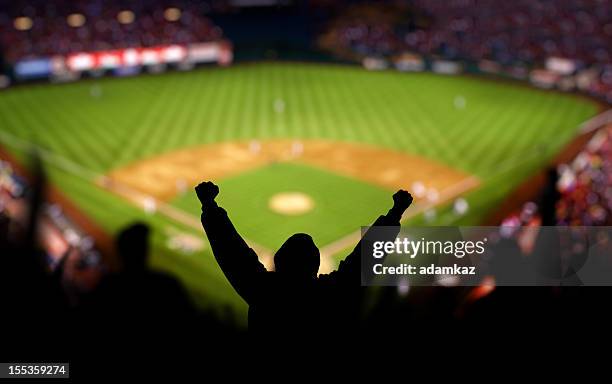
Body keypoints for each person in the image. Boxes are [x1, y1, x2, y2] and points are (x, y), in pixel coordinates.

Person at [195, 181, 412, 336]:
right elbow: (361, 263)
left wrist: (209, 205)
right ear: (315, 266)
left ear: (278, 262)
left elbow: (232, 252)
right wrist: (395, 213)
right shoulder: (330, 295)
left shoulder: (264, 292)